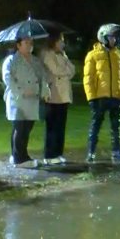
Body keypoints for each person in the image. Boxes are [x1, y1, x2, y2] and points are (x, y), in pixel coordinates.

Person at [83, 23, 120, 163]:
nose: (114, 40)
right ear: (103, 37)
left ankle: (117, 152)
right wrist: (91, 98)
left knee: (115, 127)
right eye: (112, 37)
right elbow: (88, 78)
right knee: (95, 126)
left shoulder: (118, 54)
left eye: (115, 38)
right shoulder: (93, 55)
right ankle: (91, 153)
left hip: (115, 96)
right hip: (100, 98)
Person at [2, 36, 49, 167]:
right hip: (17, 99)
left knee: (27, 127)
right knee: (20, 127)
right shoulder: (11, 60)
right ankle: (19, 159)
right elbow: (8, 79)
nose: (29, 45)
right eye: (26, 43)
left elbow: (42, 77)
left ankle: (19, 155)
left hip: (32, 99)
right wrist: (21, 91)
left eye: (31, 43)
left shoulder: (35, 61)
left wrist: (45, 91)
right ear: (18, 45)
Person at [39, 32, 75, 164]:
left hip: (64, 95)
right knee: (52, 126)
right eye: (61, 41)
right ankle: (50, 155)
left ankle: (58, 153)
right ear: (54, 41)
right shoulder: (47, 54)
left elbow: (73, 69)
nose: (63, 44)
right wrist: (66, 71)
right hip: (53, 94)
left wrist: (66, 70)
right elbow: (56, 70)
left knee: (61, 126)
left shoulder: (62, 55)